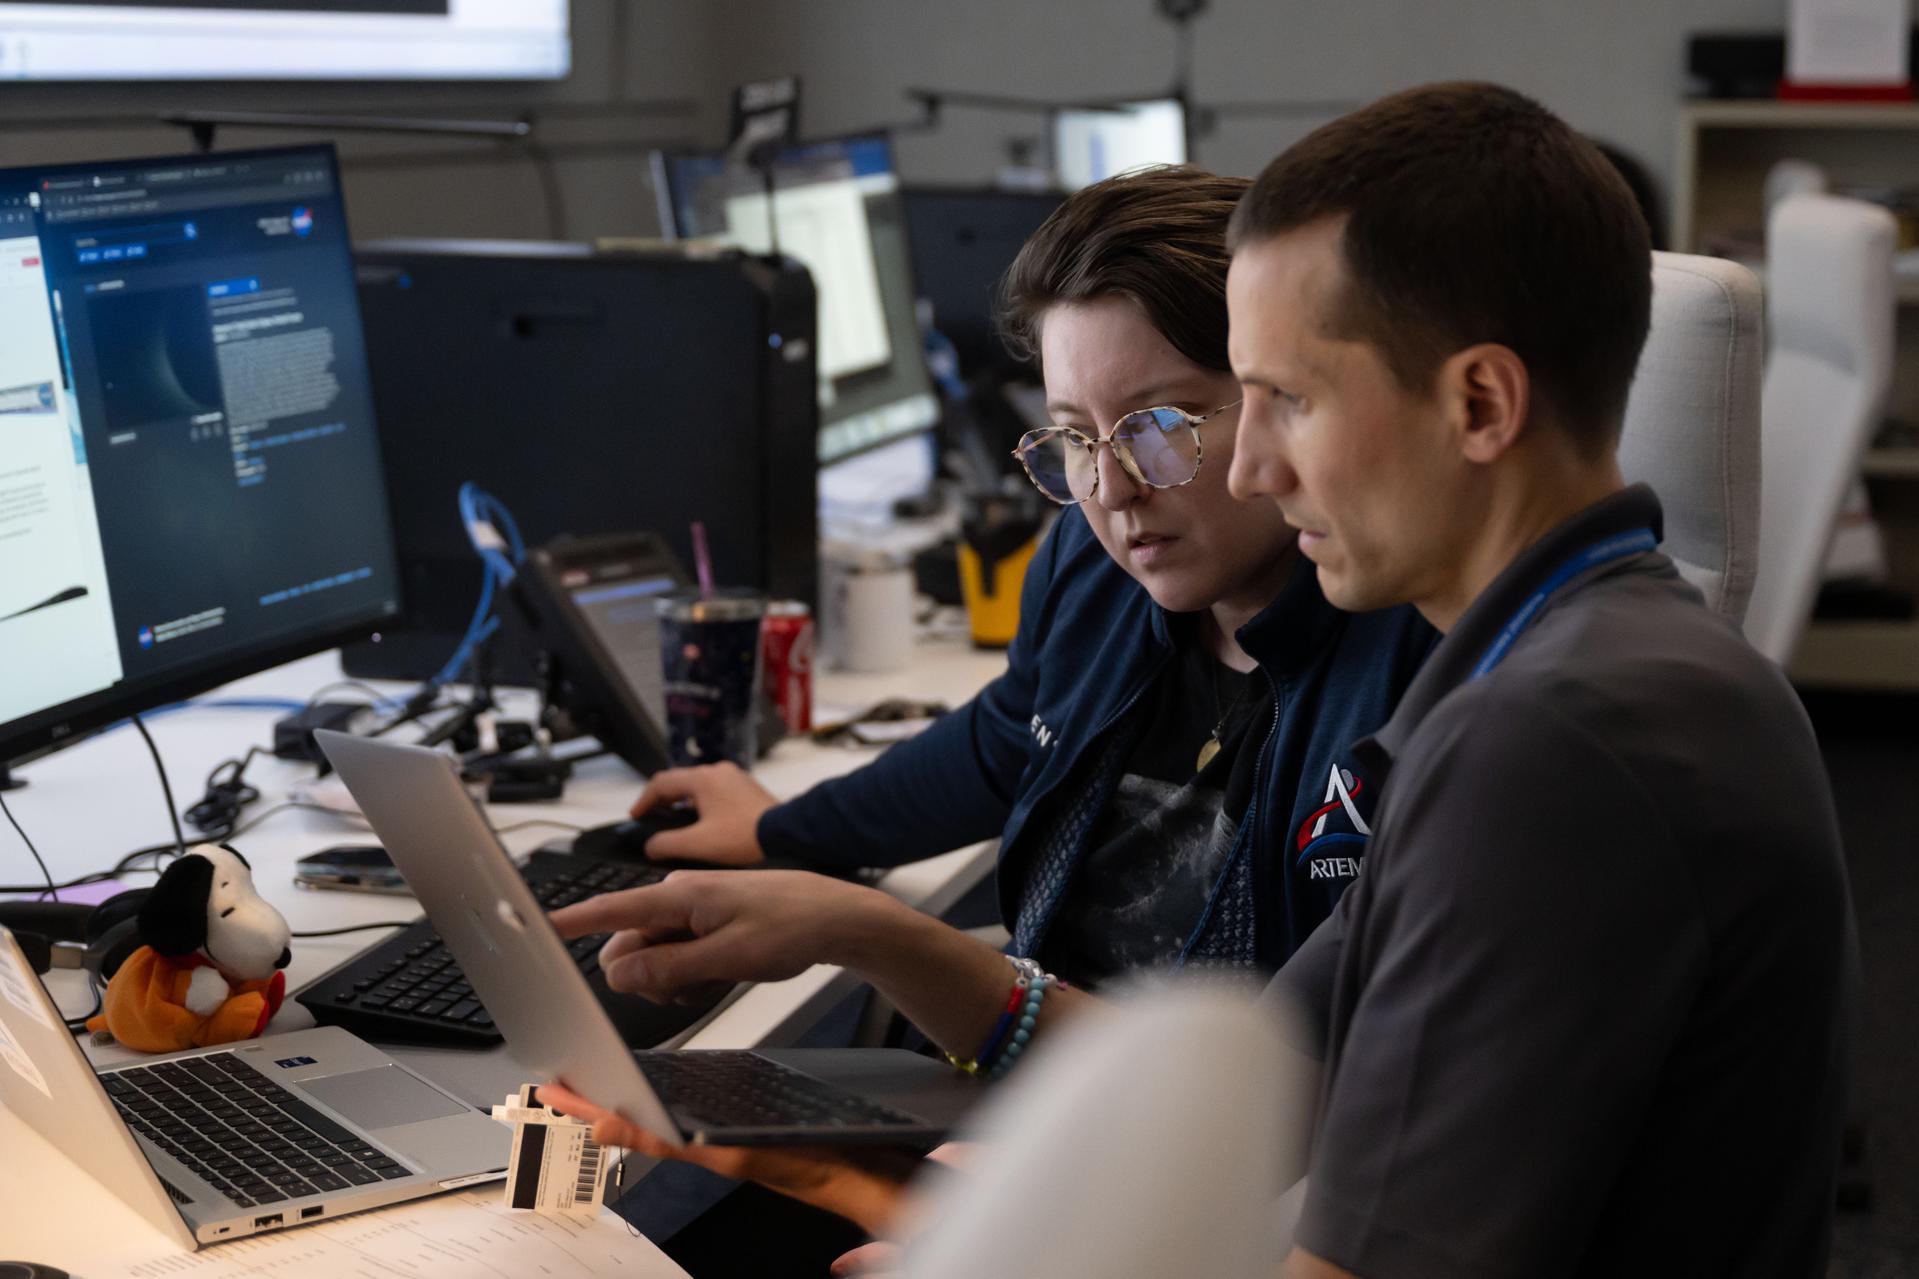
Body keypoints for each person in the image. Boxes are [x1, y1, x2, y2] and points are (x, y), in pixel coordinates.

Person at [540, 165, 1432, 1251]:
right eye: (1073, 435)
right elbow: (1010, 734)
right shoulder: (1099, 565)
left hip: (1194, 1184)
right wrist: (782, 828)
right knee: (569, 1170)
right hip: (1016, 1098)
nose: (1111, 489)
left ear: (1282, 398)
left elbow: (1290, 1101)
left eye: (1157, 425)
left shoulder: (1418, 668)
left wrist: (868, 934)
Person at [1219, 83, 1857, 1278]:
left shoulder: (1553, 741)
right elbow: (1282, 1058)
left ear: (1478, 403)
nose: (1250, 468)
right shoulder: (1562, 664)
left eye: (1288, 401)